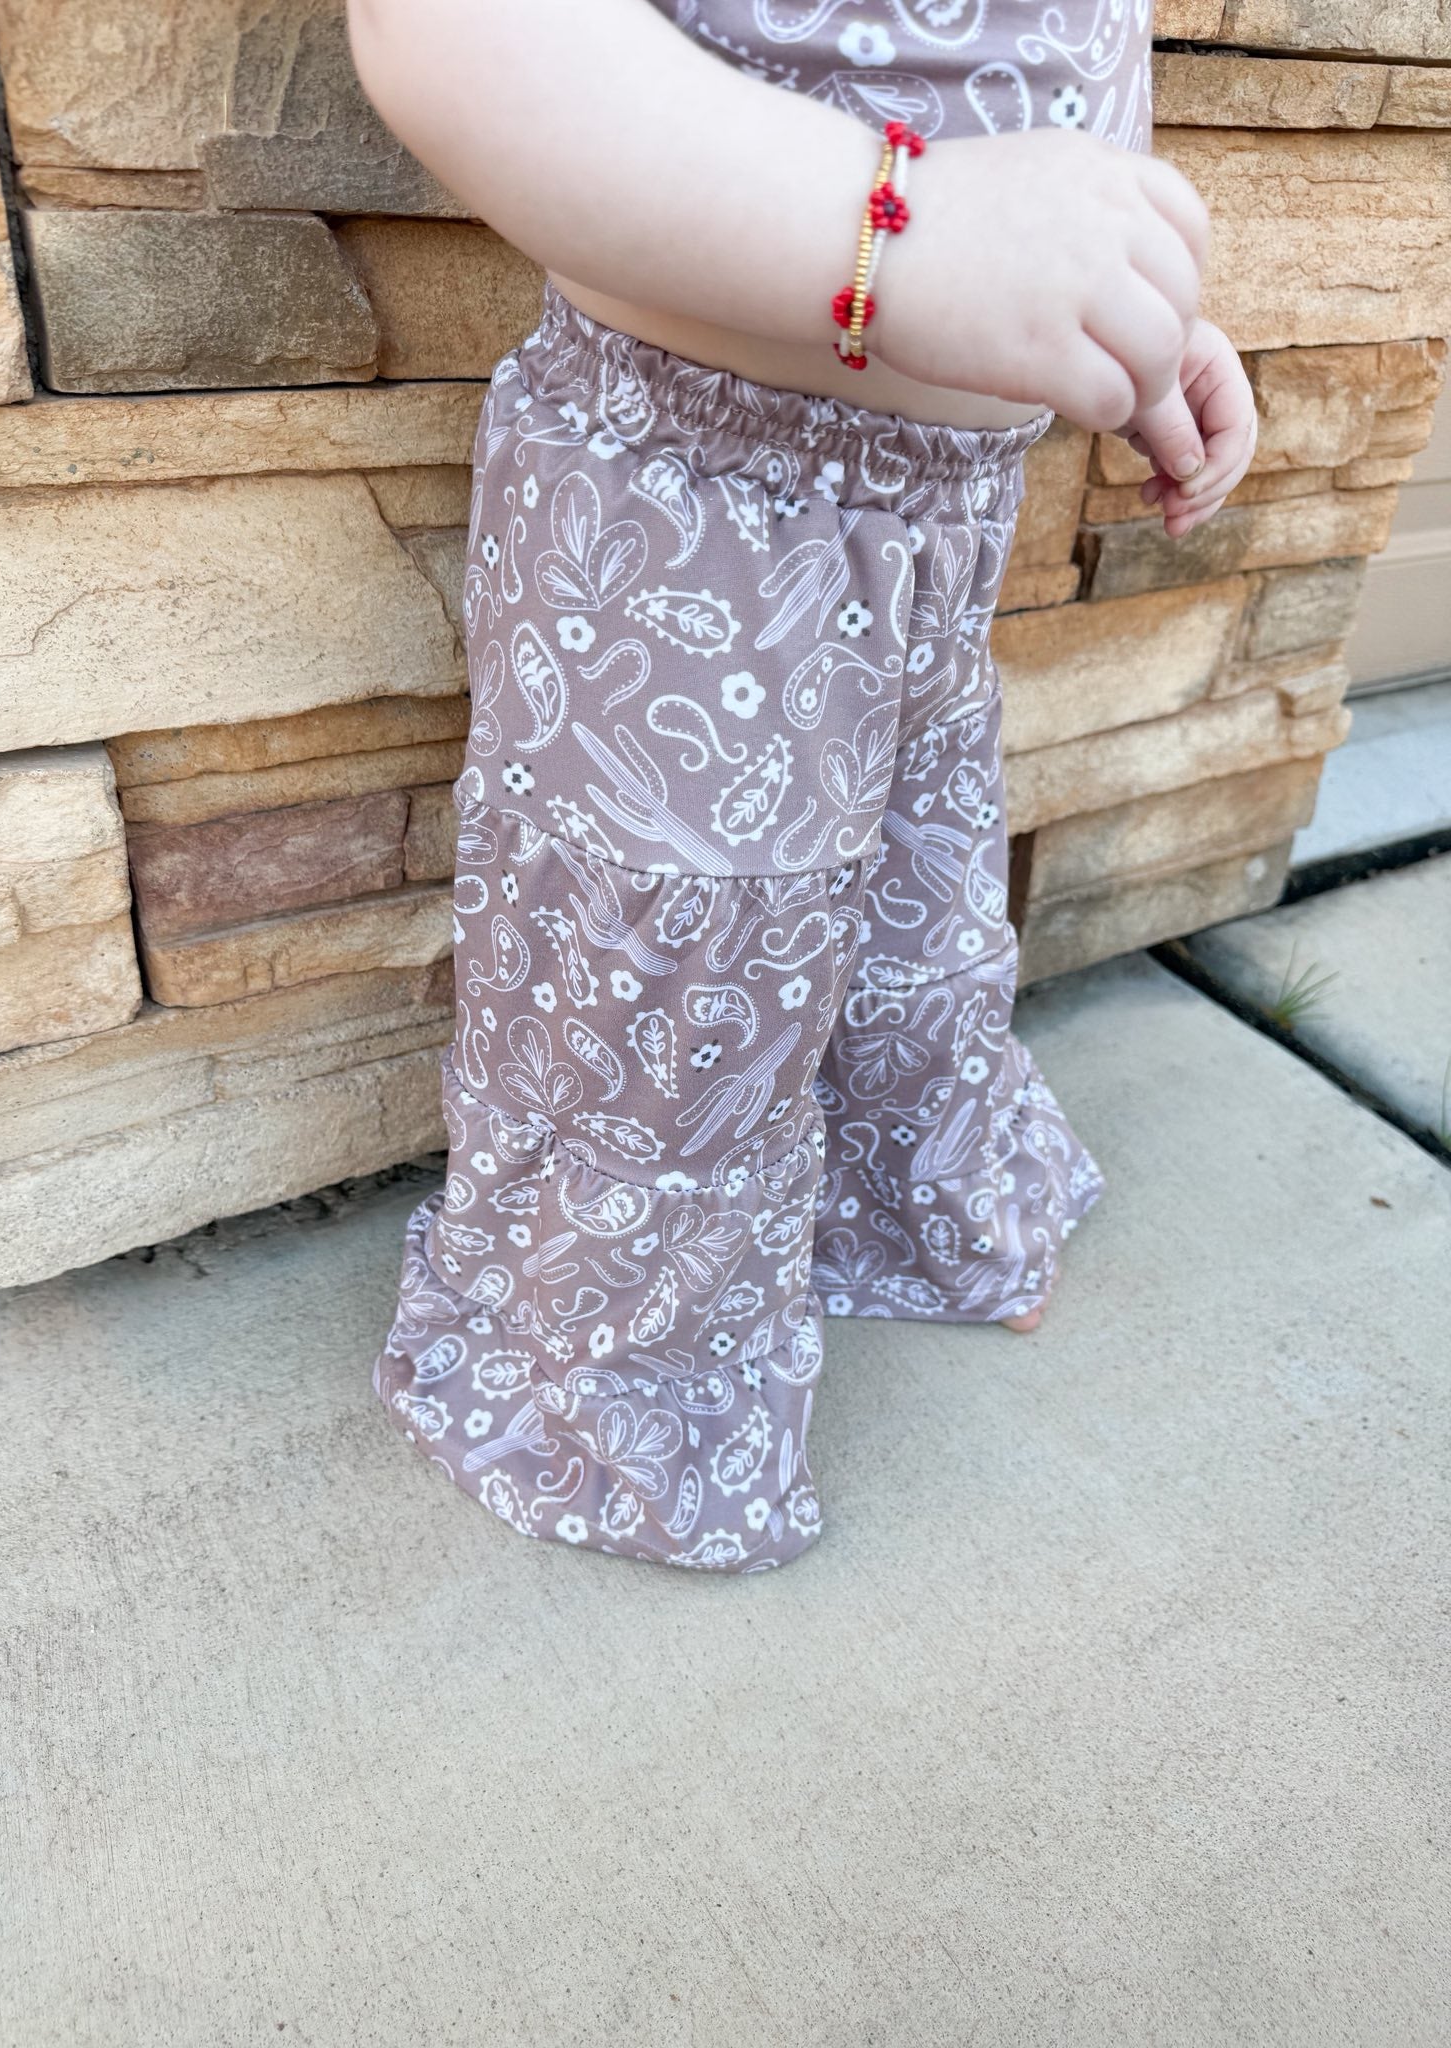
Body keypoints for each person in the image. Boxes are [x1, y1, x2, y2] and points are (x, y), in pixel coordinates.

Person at [347, 0, 1258, 1571]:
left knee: (902, 897)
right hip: (693, 499)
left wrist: (1129, 316)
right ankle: (608, 1392)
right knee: (681, 988)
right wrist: (902, 234)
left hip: (942, 514)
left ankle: (887, 1204)